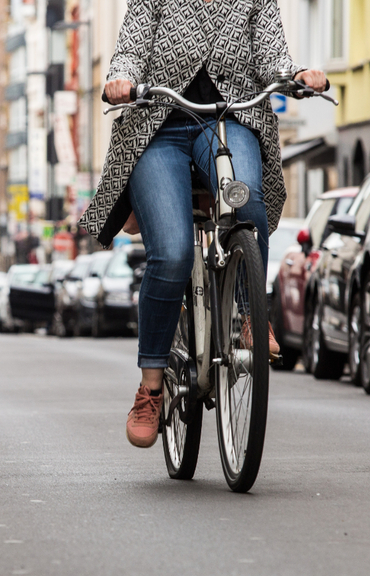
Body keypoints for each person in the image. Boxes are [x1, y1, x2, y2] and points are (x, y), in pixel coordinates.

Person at [78, 0, 328, 449]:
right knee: (171, 252)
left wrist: (297, 75)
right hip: (159, 125)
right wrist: (122, 79)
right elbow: (131, 47)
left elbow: (271, 53)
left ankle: (252, 315)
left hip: (230, 119)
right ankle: (151, 387)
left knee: (247, 202)